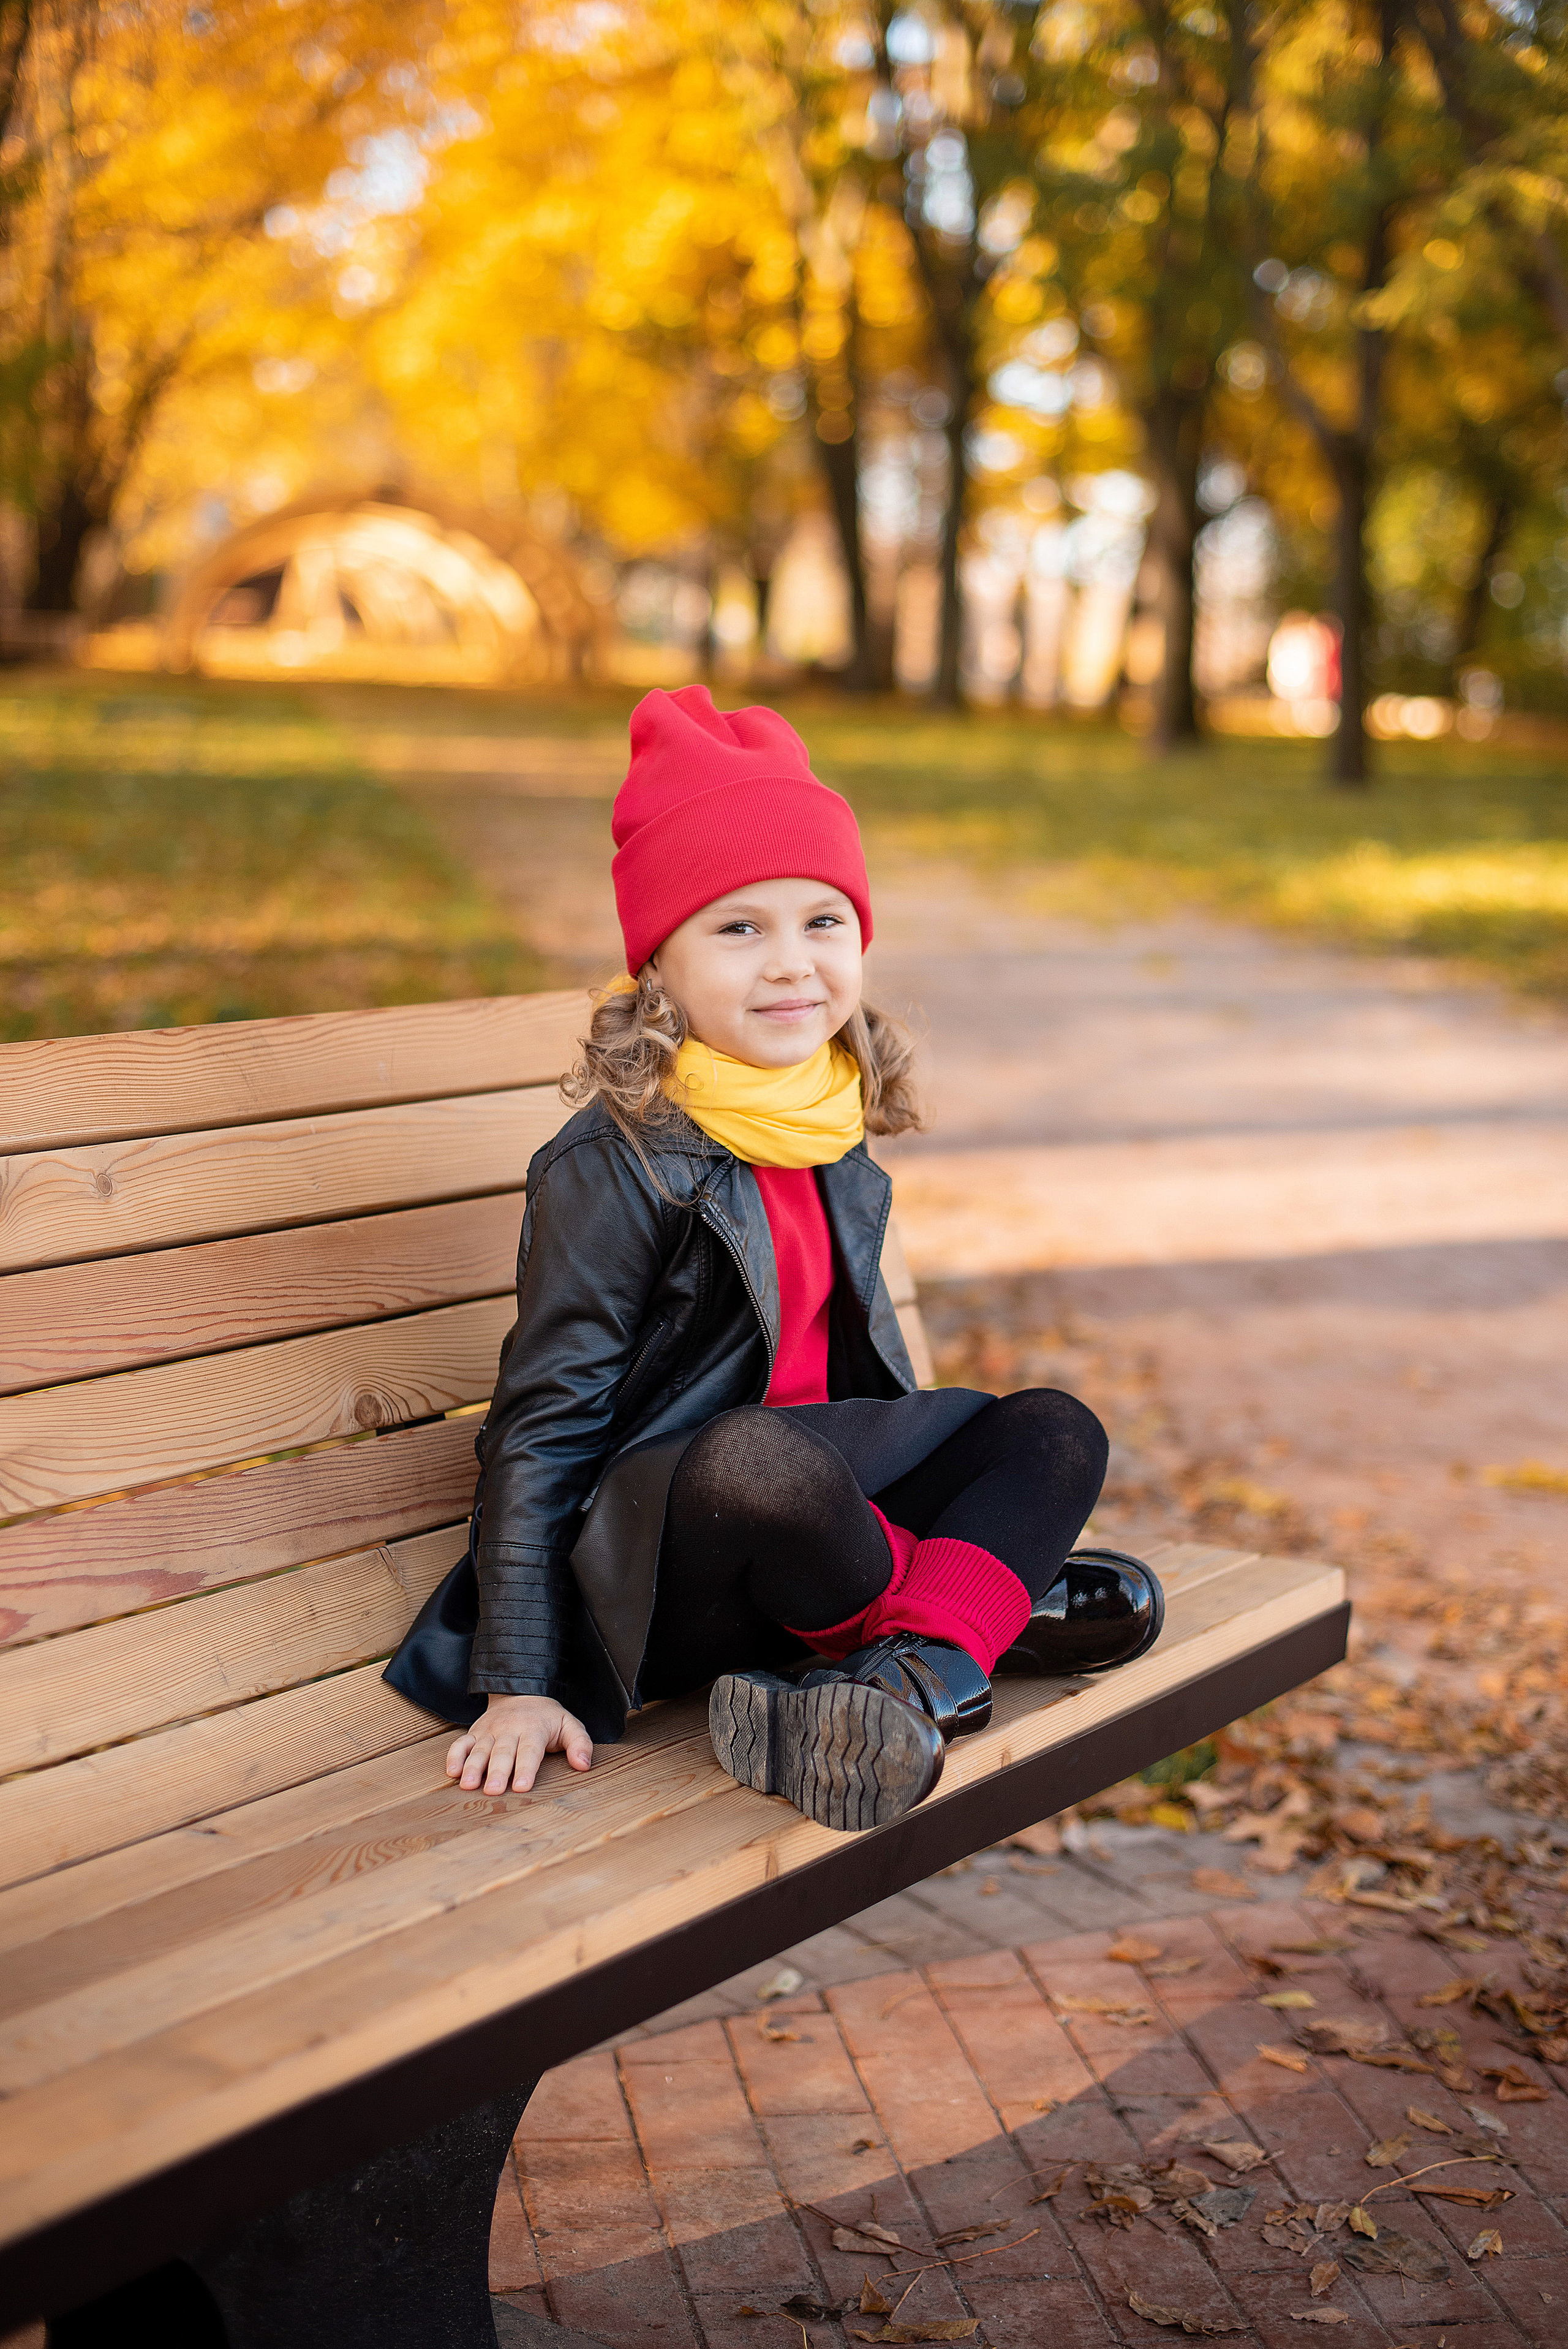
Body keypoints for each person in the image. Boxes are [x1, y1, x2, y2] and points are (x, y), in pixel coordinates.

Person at [386, 686, 1162, 1833]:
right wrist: (520, 1677)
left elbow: (854, 1376)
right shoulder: (617, 1162)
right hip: (677, 1555)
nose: (792, 965)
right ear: (660, 965)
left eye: (822, 921)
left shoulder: (826, 1112)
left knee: (1055, 1428)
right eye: (738, 927)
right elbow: (544, 1423)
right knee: (764, 1459)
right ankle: (966, 1631)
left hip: (823, 1516)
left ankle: (901, 1678)